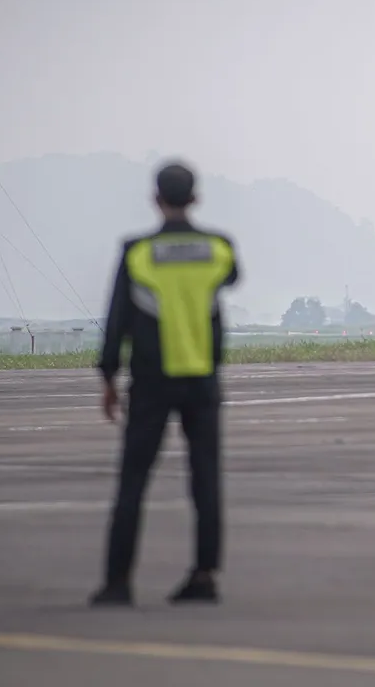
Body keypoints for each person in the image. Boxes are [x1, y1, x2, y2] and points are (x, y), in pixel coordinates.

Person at [88, 161, 239, 607]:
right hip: (203, 379)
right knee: (206, 480)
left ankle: (118, 583)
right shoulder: (217, 249)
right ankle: (205, 575)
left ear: (156, 198)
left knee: (133, 481)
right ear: (195, 198)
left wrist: (109, 375)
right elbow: (230, 279)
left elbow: (117, 319)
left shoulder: (137, 253)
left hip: (152, 380)